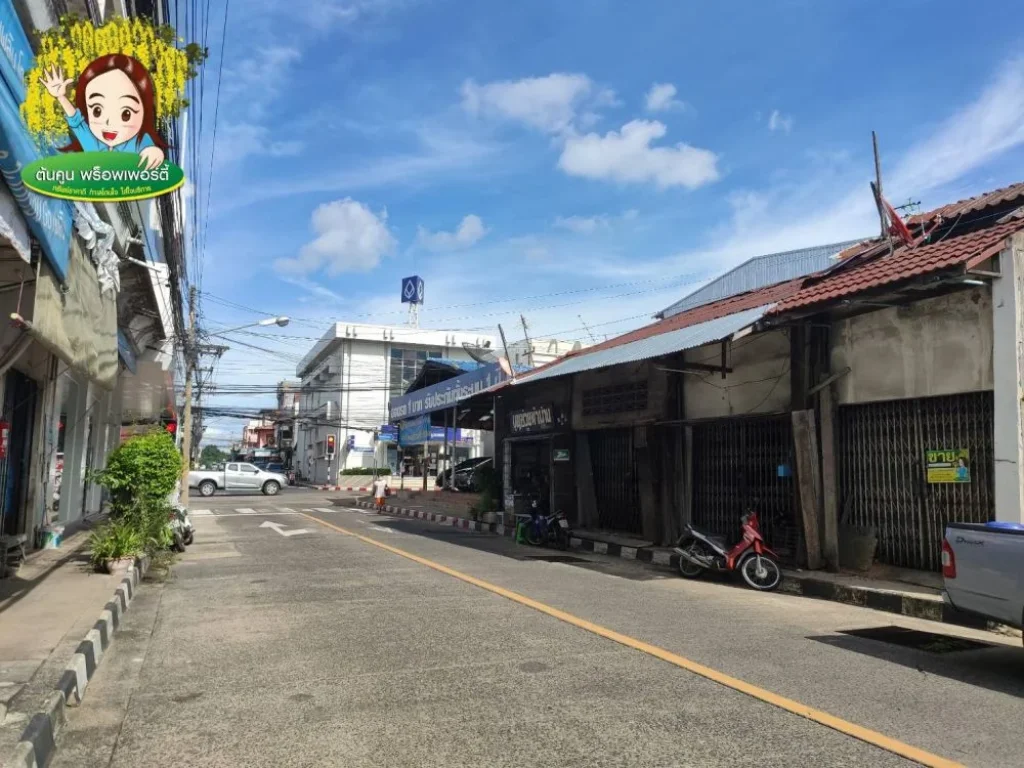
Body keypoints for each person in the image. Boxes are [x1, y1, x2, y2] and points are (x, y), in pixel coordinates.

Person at [40, 54, 168, 170]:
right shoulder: (93, 143)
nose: (109, 122)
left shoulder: (138, 142)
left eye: (126, 114)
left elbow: (150, 150)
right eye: (97, 111)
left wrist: (155, 153)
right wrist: (61, 97)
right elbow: (77, 122)